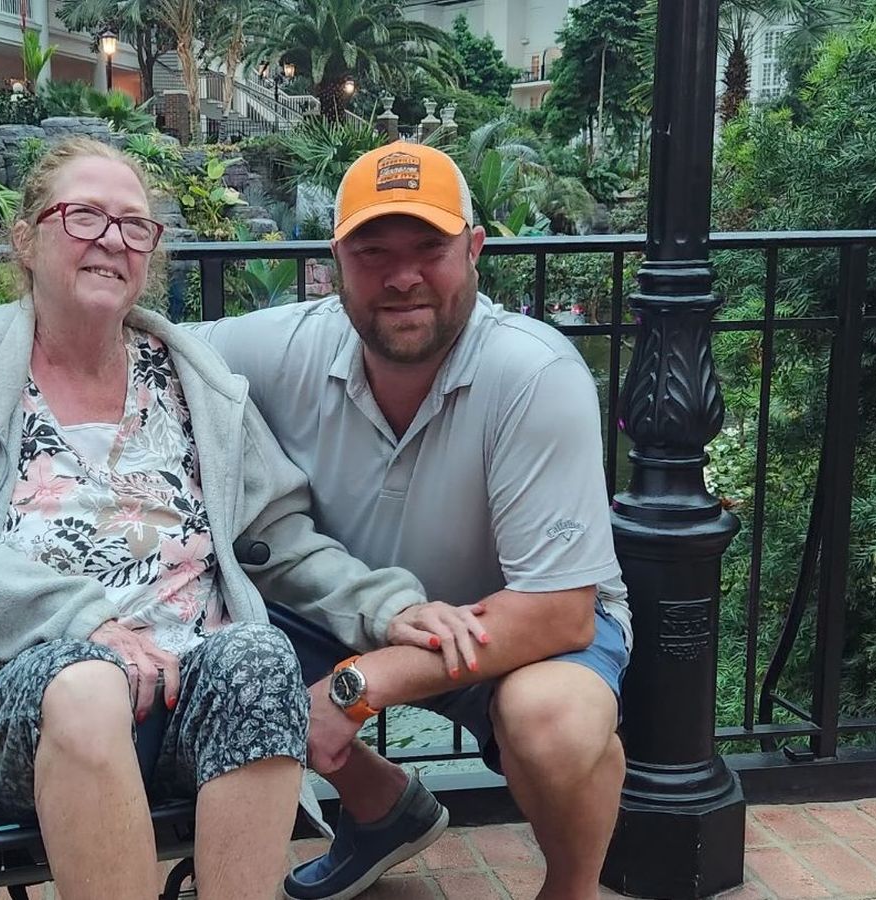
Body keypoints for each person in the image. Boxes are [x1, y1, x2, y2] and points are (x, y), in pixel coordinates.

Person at [0, 137, 443, 900]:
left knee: (260, 657)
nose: (111, 239)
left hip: (180, 708)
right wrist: (79, 620)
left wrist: (382, 607)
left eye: (134, 225)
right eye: (84, 216)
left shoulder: (189, 379)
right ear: (26, 241)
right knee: (86, 684)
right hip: (9, 713)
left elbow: (277, 538)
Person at [191, 142, 633, 900]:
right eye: (373, 252)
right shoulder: (282, 345)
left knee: (554, 721)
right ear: (336, 262)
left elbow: (560, 612)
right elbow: (131, 343)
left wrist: (359, 685)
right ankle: (382, 808)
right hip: (347, 613)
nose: (402, 277)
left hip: (512, 632)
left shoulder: (534, 372)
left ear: (475, 250)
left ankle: (571, 887)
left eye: (429, 248)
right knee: (188, 614)